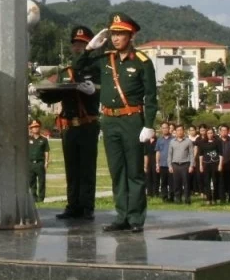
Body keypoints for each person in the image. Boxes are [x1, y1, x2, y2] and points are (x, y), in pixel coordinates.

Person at [75, 14, 158, 233]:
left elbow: (151, 96)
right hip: (109, 120)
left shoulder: (142, 62)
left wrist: (149, 125)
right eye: (113, 34)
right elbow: (77, 67)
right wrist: (90, 48)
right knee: (117, 170)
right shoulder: (105, 59)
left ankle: (136, 218)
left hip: (132, 119)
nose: (116, 38)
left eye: (120, 34)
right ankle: (122, 216)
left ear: (131, 36)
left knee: (134, 171)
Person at [57, 27, 102, 220]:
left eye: (83, 44)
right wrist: (41, 92)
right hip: (69, 125)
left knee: (87, 168)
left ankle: (86, 206)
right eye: (76, 44)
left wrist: (95, 90)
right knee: (71, 168)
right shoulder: (66, 71)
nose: (78, 47)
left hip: (87, 124)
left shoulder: (96, 68)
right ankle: (73, 205)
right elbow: (56, 94)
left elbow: (105, 90)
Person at [195, 126, 222, 205]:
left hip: (215, 163)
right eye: (208, 133)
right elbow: (200, 155)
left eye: (211, 133)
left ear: (213, 133)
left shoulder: (217, 141)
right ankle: (208, 198)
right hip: (206, 164)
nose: (210, 134)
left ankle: (215, 198)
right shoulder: (202, 142)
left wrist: (220, 164)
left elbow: (221, 154)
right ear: (206, 134)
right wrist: (200, 165)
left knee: (215, 181)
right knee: (207, 182)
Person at [168, 124, 194, 205]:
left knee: (186, 183)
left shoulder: (188, 141)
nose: (179, 132)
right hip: (175, 165)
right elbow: (170, 154)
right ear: (175, 132)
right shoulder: (172, 142)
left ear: (183, 131)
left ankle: (187, 199)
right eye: (178, 130)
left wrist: (191, 165)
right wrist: (169, 166)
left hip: (185, 164)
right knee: (176, 183)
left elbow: (191, 154)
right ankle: (178, 199)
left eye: (181, 130)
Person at [27, 120, 50, 203]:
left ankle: (41, 198)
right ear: (31, 129)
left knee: (41, 181)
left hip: (40, 163)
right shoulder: (28, 139)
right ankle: (34, 198)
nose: (35, 128)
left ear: (39, 128)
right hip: (30, 163)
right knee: (31, 181)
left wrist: (46, 162)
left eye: (37, 127)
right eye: (33, 127)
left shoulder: (44, 139)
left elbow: (46, 151)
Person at [218, 124, 230, 203]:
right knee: (221, 182)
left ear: (228, 131)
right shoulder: (217, 141)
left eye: (225, 130)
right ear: (220, 131)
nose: (224, 132)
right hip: (219, 165)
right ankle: (222, 198)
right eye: (222, 130)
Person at [156, 123, 173, 202]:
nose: (165, 129)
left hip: (171, 164)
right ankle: (164, 197)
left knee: (172, 182)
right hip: (162, 164)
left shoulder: (173, 139)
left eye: (166, 128)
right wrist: (157, 164)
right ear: (161, 129)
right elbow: (158, 152)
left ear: (169, 128)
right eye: (163, 128)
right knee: (163, 182)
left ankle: (172, 197)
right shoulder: (159, 139)